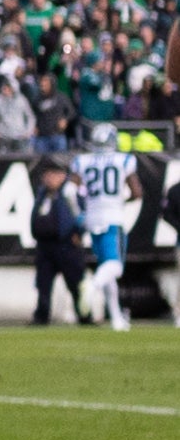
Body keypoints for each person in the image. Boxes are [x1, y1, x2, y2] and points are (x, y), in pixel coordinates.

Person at [74, 125, 136, 331]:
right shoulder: (123, 160)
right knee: (115, 267)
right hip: (112, 217)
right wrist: (122, 200)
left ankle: (117, 318)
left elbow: (70, 188)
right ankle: (92, 286)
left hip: (92, 218)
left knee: (105, 267)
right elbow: (137, 192)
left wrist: (81, 210)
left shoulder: (83, 161)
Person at [30, 158, 89, 326]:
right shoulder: (42, 194)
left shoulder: (71, 192)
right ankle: (41, 316)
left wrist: (78, 233)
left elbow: (82, 213)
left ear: (62, 175)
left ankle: (84, 315)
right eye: (46, 175)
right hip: (45, 245)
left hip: (66, 245)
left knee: (75, 282)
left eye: (52, 175)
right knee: (43, 284)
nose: (48, 179)